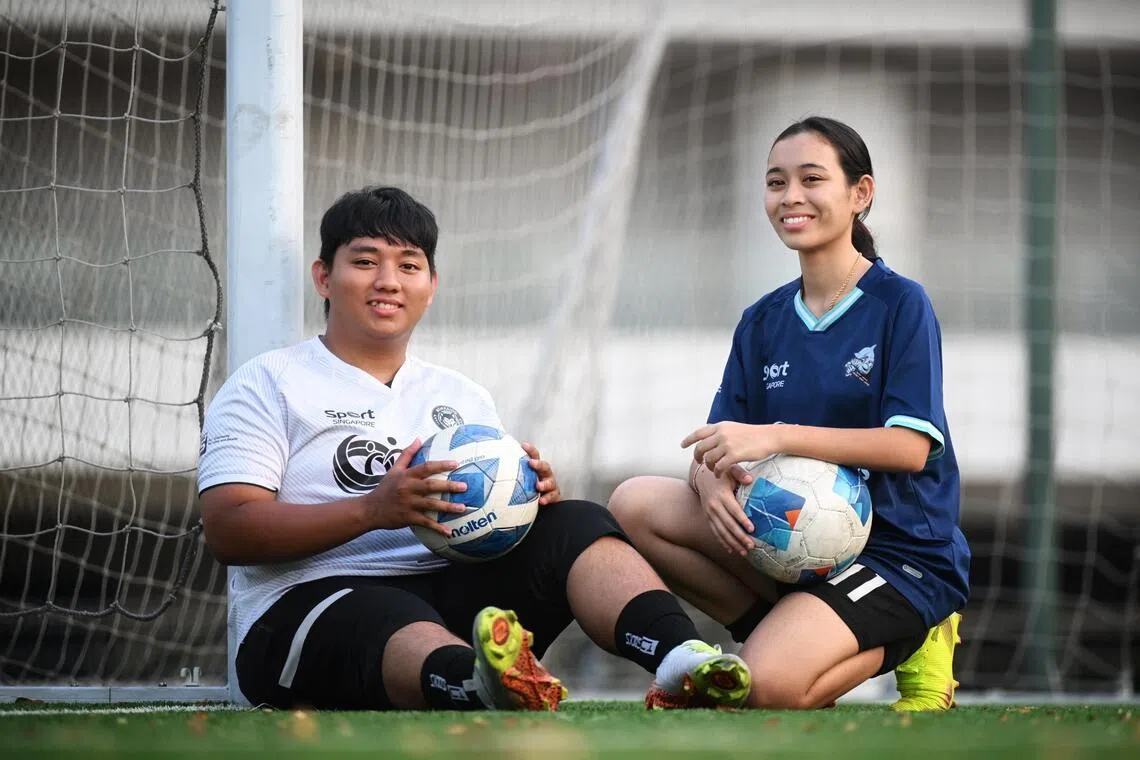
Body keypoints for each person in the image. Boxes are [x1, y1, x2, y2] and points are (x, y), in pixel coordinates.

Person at [197, 186, 751, 712]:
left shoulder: (460, 397)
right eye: (365, 262)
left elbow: (483, 532)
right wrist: (374, 510)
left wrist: (526, 504)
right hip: (309, 609)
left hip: (449, 596)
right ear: (323, 277)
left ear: (431, 285)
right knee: (388, 610)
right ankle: (479, 682)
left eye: (409, 265)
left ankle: (685, 662)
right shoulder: (268, 383)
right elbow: (229, 530)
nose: (388, 280)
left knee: (579, 522)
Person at [609, 116, 969, 711]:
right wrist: (709, 484)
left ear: (860, 194)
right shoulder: (763, 319)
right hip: (788, 532)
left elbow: (910, 448)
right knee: (634, 505)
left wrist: (777, 435)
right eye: (776, 183)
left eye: (811, 179)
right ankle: (780, 629)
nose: (790, 197)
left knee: (768, 689)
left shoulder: (899, 303)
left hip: (898, 551)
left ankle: (913, 634)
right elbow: (718, 445)